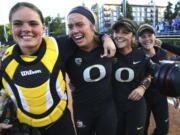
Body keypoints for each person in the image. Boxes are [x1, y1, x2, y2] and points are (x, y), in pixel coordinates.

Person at [0, 2, 116, 135]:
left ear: (43, 27)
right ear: (11, 27)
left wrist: (105, 37)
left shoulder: (58, 46)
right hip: (25, 128)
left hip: (60, 124)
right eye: (18, 23)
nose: (26, 29)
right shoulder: (5, 60)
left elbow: (89, 36)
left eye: (33, 23)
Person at [65, 6, 117, 135]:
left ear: (93, 26)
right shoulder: (67, 48)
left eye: (79, 25)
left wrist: (106, 37)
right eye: (70, 27)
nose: (74, 31)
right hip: (82, 109)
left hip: (107, 109)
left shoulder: (109, 46)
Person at [112, 18, 152, 135]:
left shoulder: (141, 54)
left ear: (133, 37)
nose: (119, 35)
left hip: (136, 107)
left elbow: (150, 74)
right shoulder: (108, 53)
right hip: (114, 107)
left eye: (125, 32)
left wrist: (142, 87)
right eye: (117, 32)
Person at [137, 24, 169, 135]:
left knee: (163, 129)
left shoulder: (162, 54)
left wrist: (174, 92)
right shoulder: (136, 55)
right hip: (142, 99)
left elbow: (166, 75)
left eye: (150, 35)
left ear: (155, 37)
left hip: (160, 97)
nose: (147, 39)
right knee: (142, 130)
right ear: (139, 39)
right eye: (143, 36)